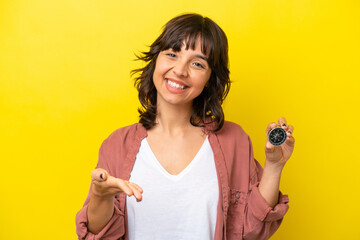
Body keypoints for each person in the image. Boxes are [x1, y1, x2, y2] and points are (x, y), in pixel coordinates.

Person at [76, 13, 295, 240]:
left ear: (210, 78)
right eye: (172, 54)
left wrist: (274, 165)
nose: (180, 70)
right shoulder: (117, 145)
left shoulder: (234, 141)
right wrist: (100, 196)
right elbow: (97, 235)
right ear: (155, 60)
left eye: (197, 63)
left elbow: (251, 232)